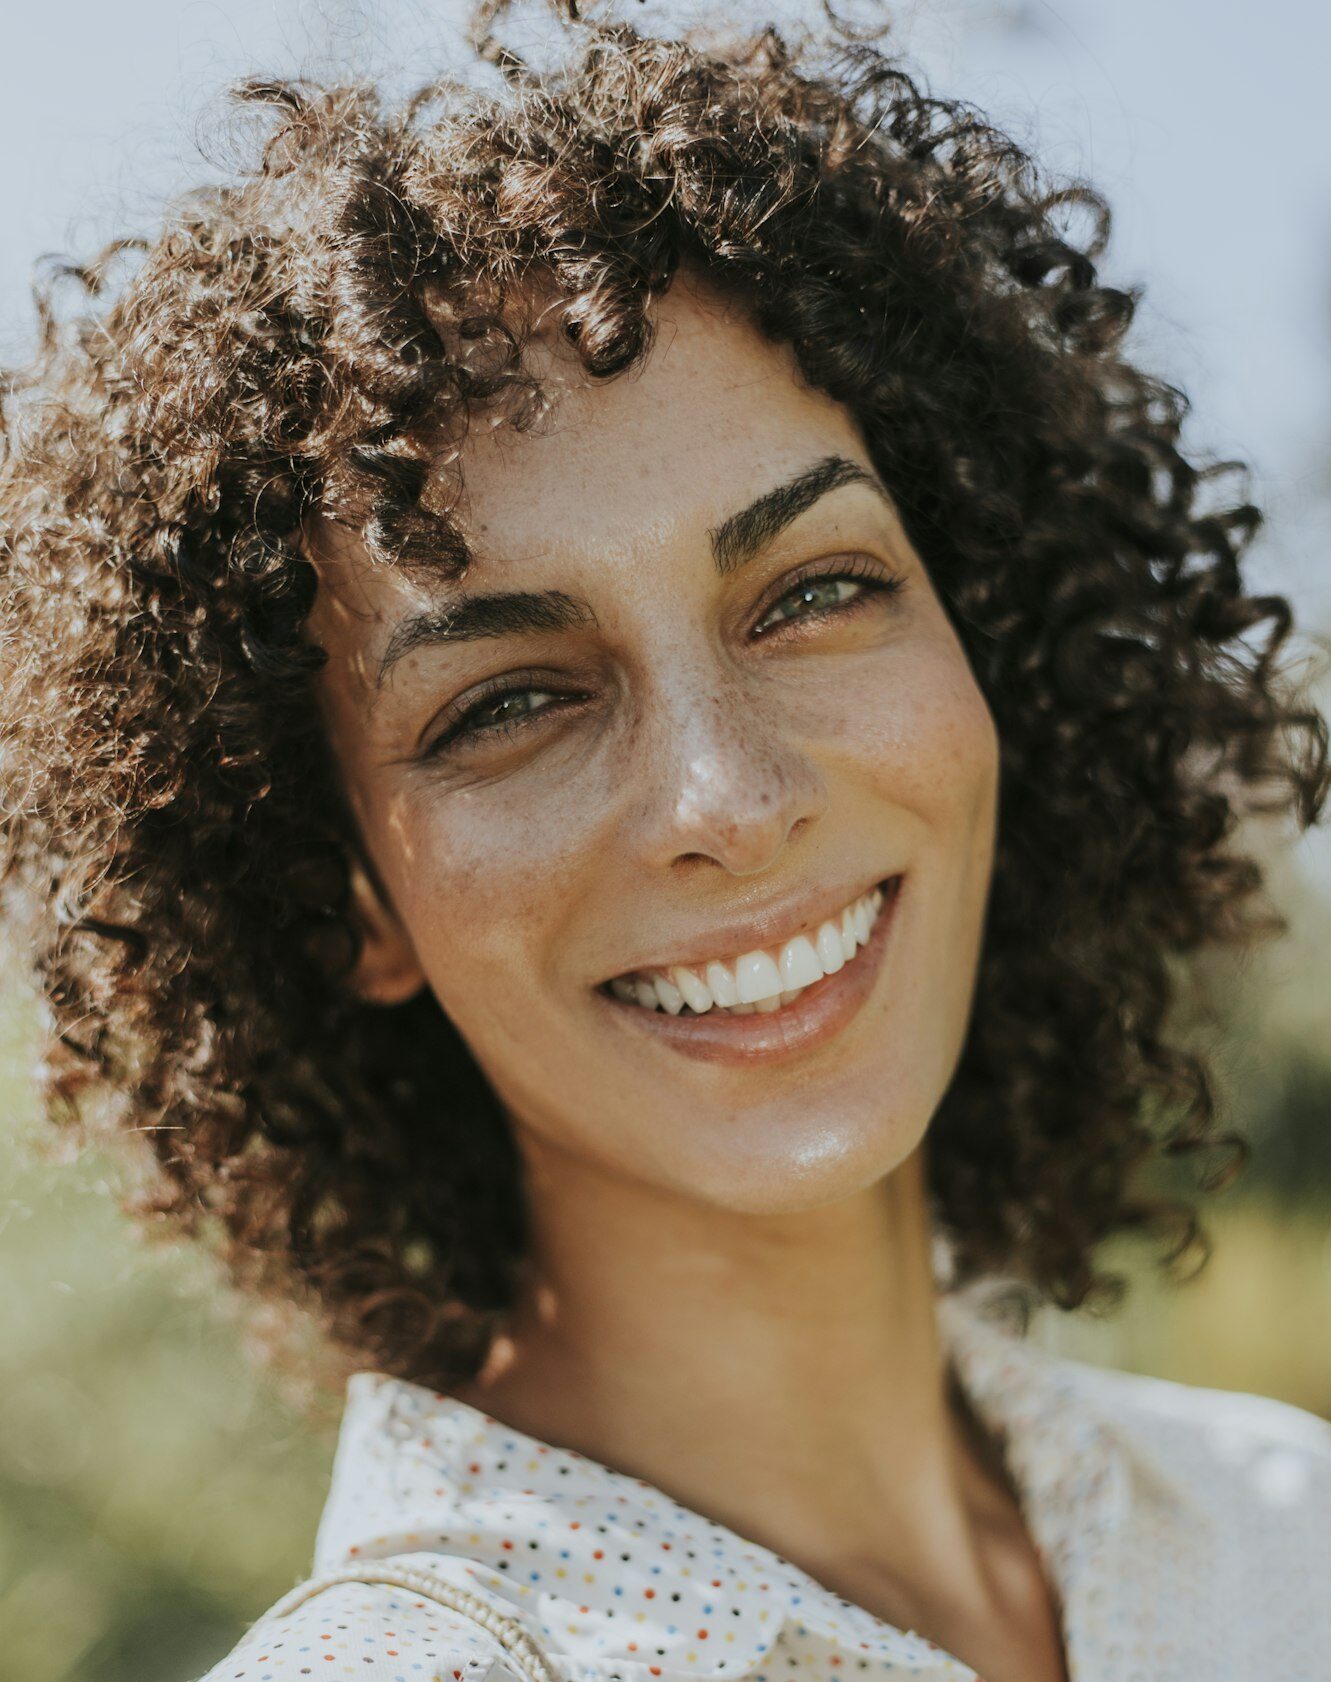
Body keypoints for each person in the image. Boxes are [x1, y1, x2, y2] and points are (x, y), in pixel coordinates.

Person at [1, 4, 1328, 1680]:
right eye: (505, 705)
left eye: (819, 590)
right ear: (346, 897)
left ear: (984, 631)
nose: (726, 796)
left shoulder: (1285, 1527)